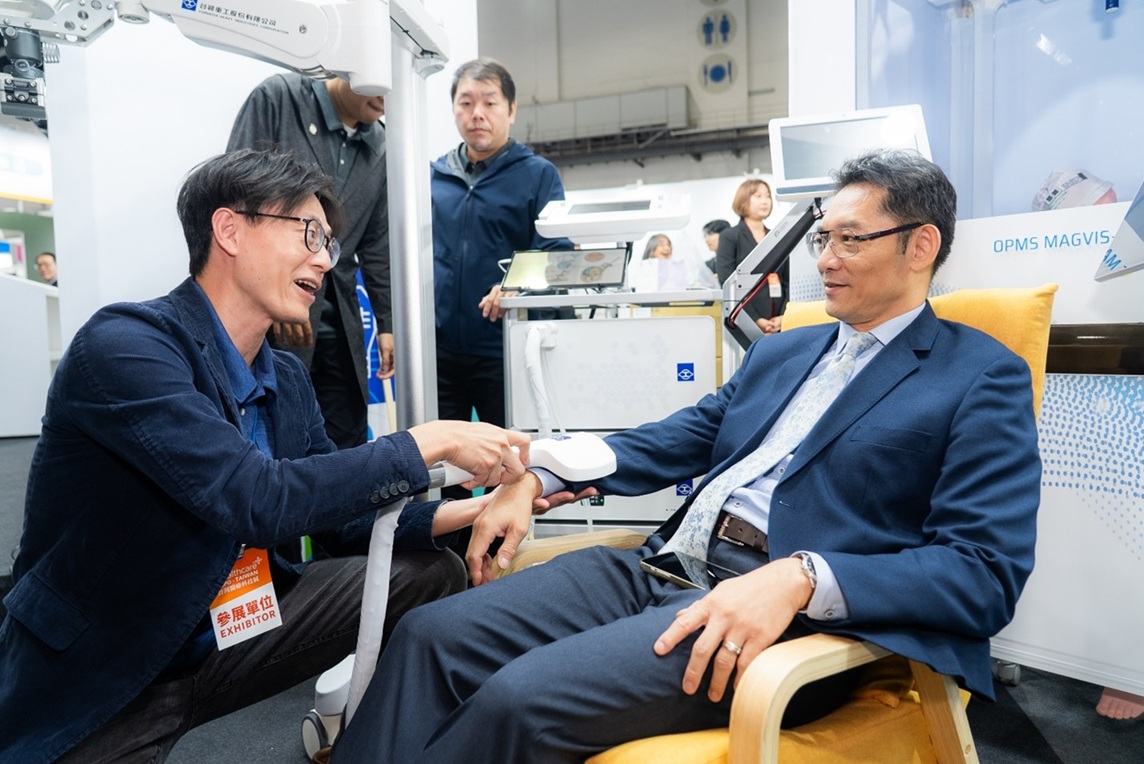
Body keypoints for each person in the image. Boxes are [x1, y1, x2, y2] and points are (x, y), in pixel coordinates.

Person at [332, 149, 1042, 762]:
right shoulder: (786, 350)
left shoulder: (979, 376)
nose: (825, 259)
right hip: (659, 567)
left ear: (921, 246)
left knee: (517, 700)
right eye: (823, 238)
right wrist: (534, 476)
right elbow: (672, 439)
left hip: (775, 619)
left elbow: (983, 573)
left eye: (850, 240)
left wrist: (802, 577)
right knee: (428, 634)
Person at [0, 149, 531, 764]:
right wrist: (427, 440)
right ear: (229, 230)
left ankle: (377, 744)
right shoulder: (125, 346)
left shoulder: (284, 376)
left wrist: (482, 508)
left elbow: (346, 523)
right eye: (309, 233)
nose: (325, 259)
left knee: (428, 572)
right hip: (108, 661)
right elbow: (255, 498)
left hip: (226, 632)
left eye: (329, 243)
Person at [228, 73, 392, 450]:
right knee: (276, 447)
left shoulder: (381, 145)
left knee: (345, 451)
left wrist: (388, 324)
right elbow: (238, 200)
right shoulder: (278, 101)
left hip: (339, 330)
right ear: (351, 66)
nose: (387, 99)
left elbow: (377, 244)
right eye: (381, 83)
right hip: (273, 329)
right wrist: (278, 296)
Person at [1031, 167, 1143, 720]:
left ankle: (1131, 667)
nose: (1113, 217)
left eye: (1115, 206)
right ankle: (1122, 663)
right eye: (1098, 210)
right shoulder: (1050, 270)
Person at [432, 57, 574, 438]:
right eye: (466, 103)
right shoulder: (434, 178)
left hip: (506, 349)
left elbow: (555, 250)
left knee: (509, 456)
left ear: (511, 110)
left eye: (490, 102)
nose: (477, 113)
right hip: (441, 356)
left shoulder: (538, 175)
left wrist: (515, 285)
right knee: (443, 459)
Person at [716, 178, 785, 334]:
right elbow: (727, 281)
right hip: (743, 319)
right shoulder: (730, 236)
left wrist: (783, 315)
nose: (765, 201)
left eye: (767, 196)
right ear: (743, 200)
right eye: (758, 196)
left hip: (779, 320)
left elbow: (787, 279)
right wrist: (755, 319)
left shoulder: (776, 237)